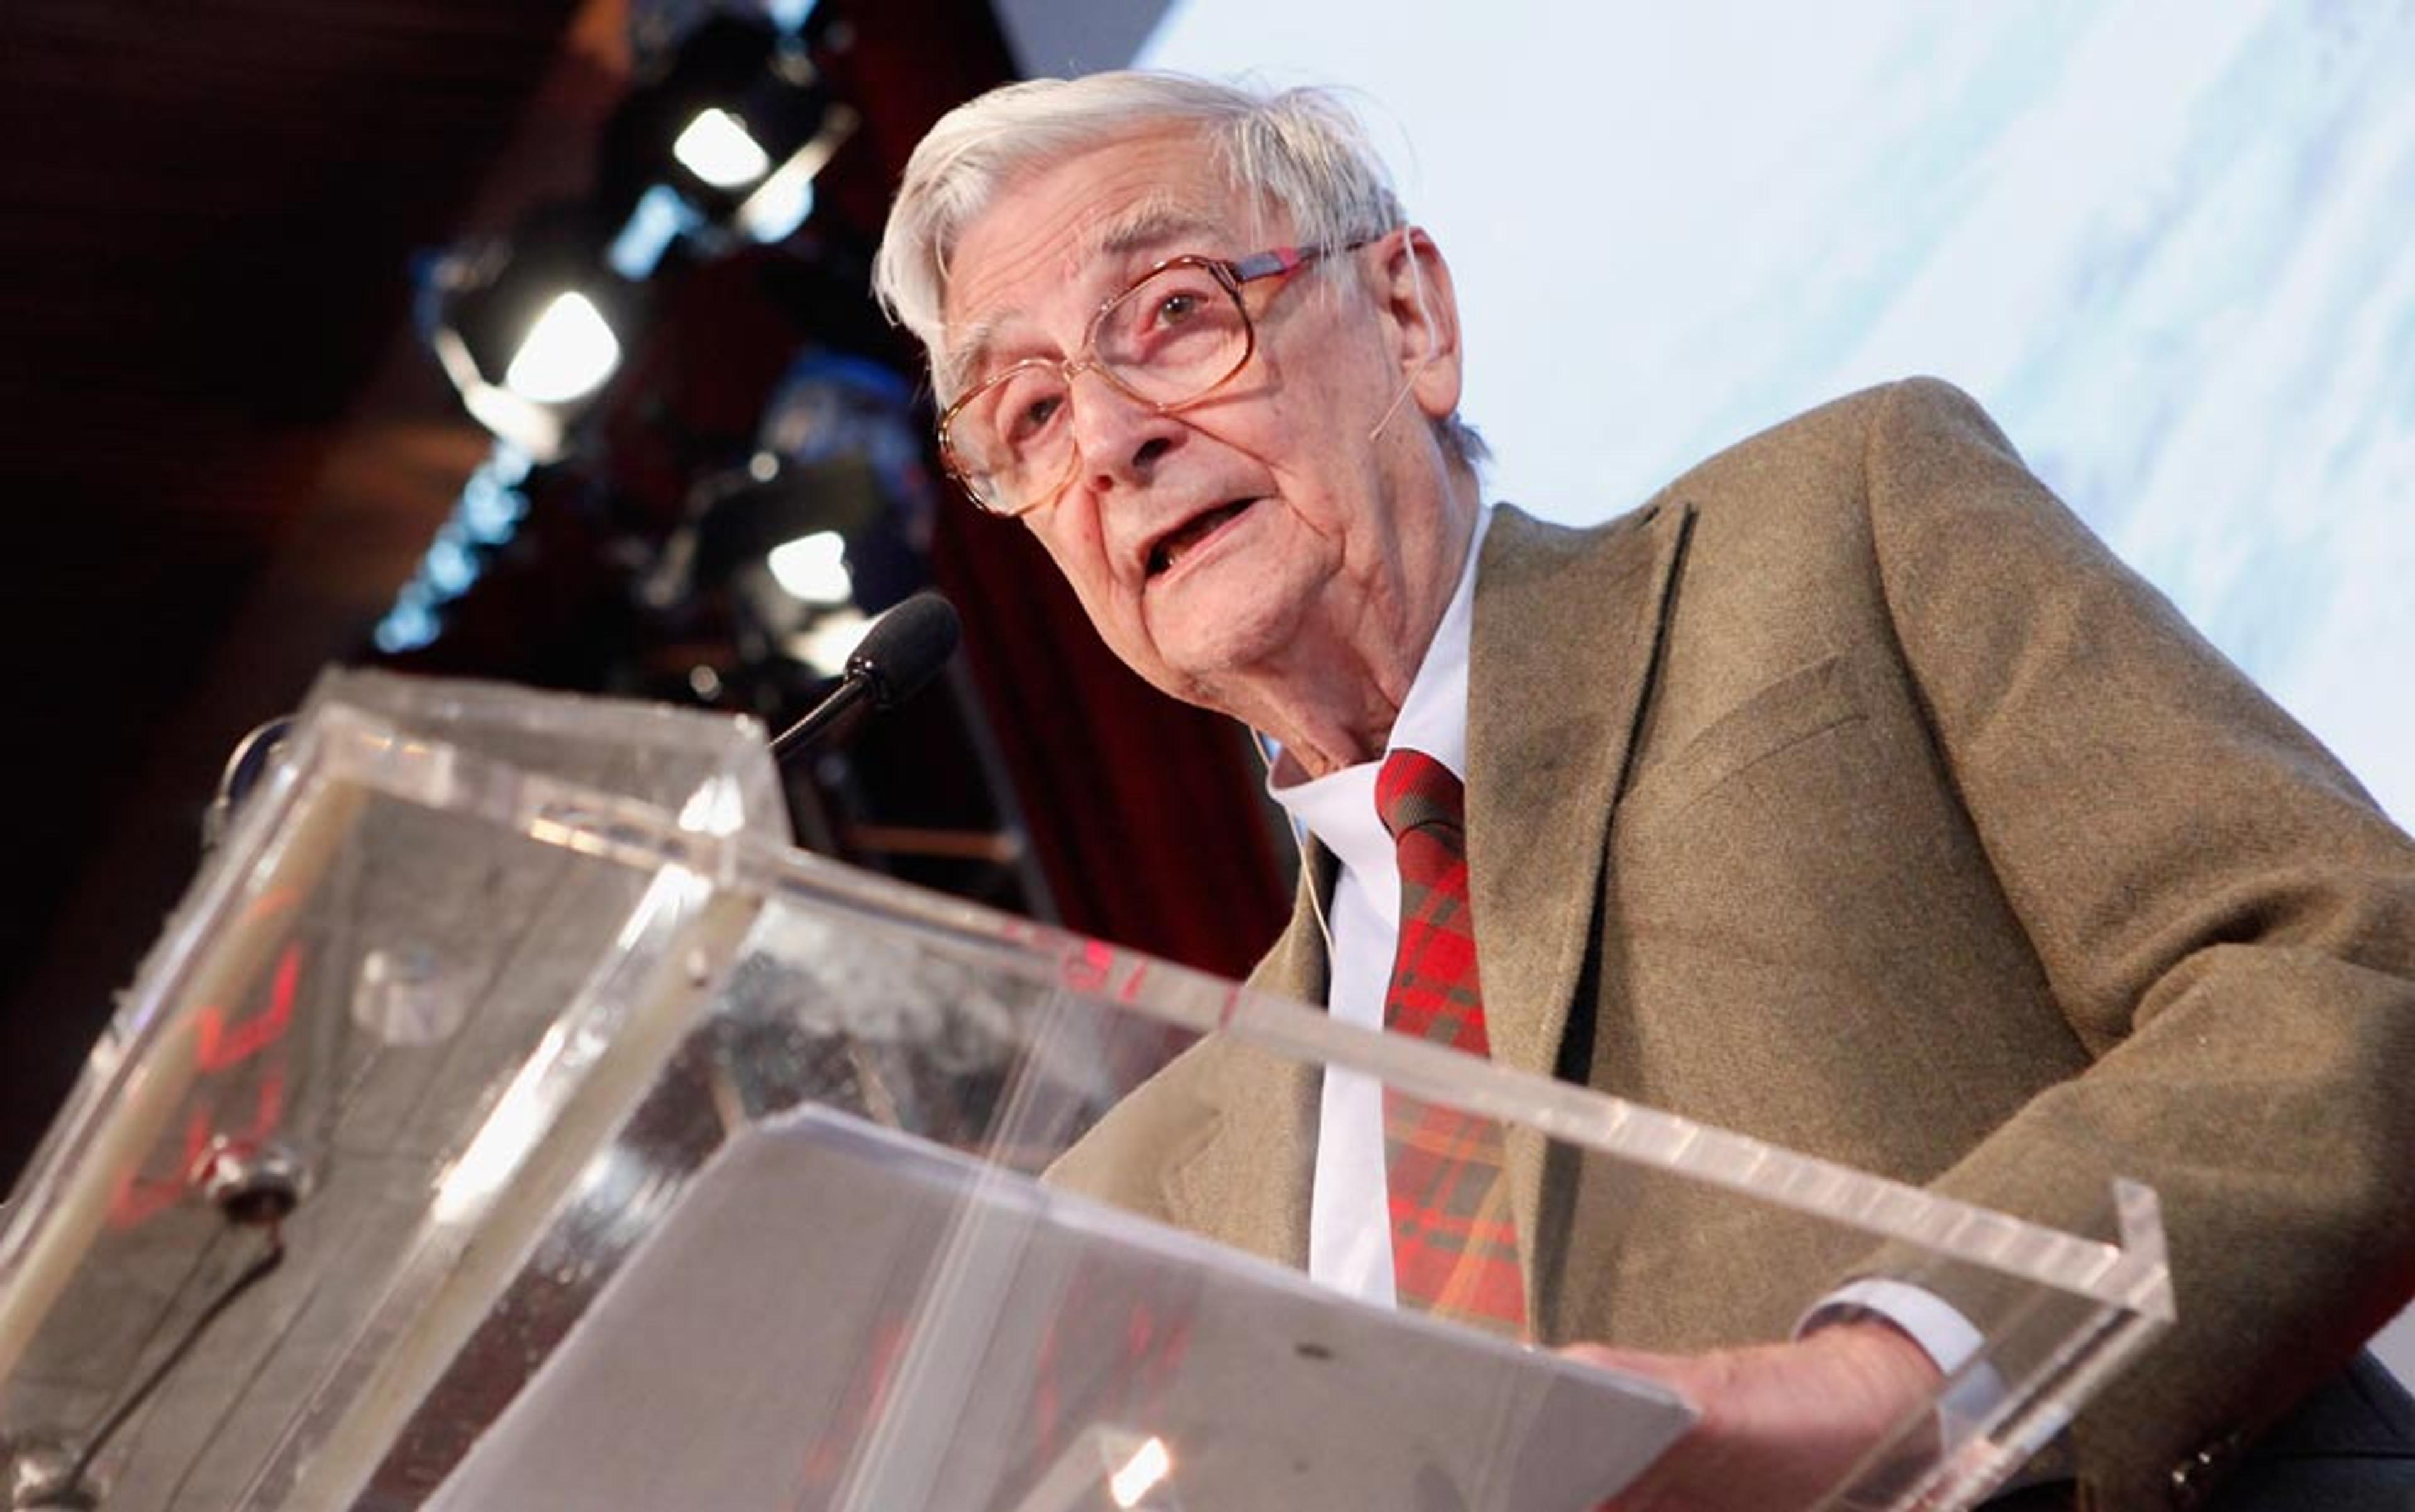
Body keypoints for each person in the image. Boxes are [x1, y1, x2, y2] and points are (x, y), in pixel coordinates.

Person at [872, 71, 2415, 1510]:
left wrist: (1890, 1372)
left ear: (1407, 314)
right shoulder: (1129, 1190)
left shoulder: (1843, 530)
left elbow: (2347, 972)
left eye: (1175, 314)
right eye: (1028, 417)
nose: (1115, 436)